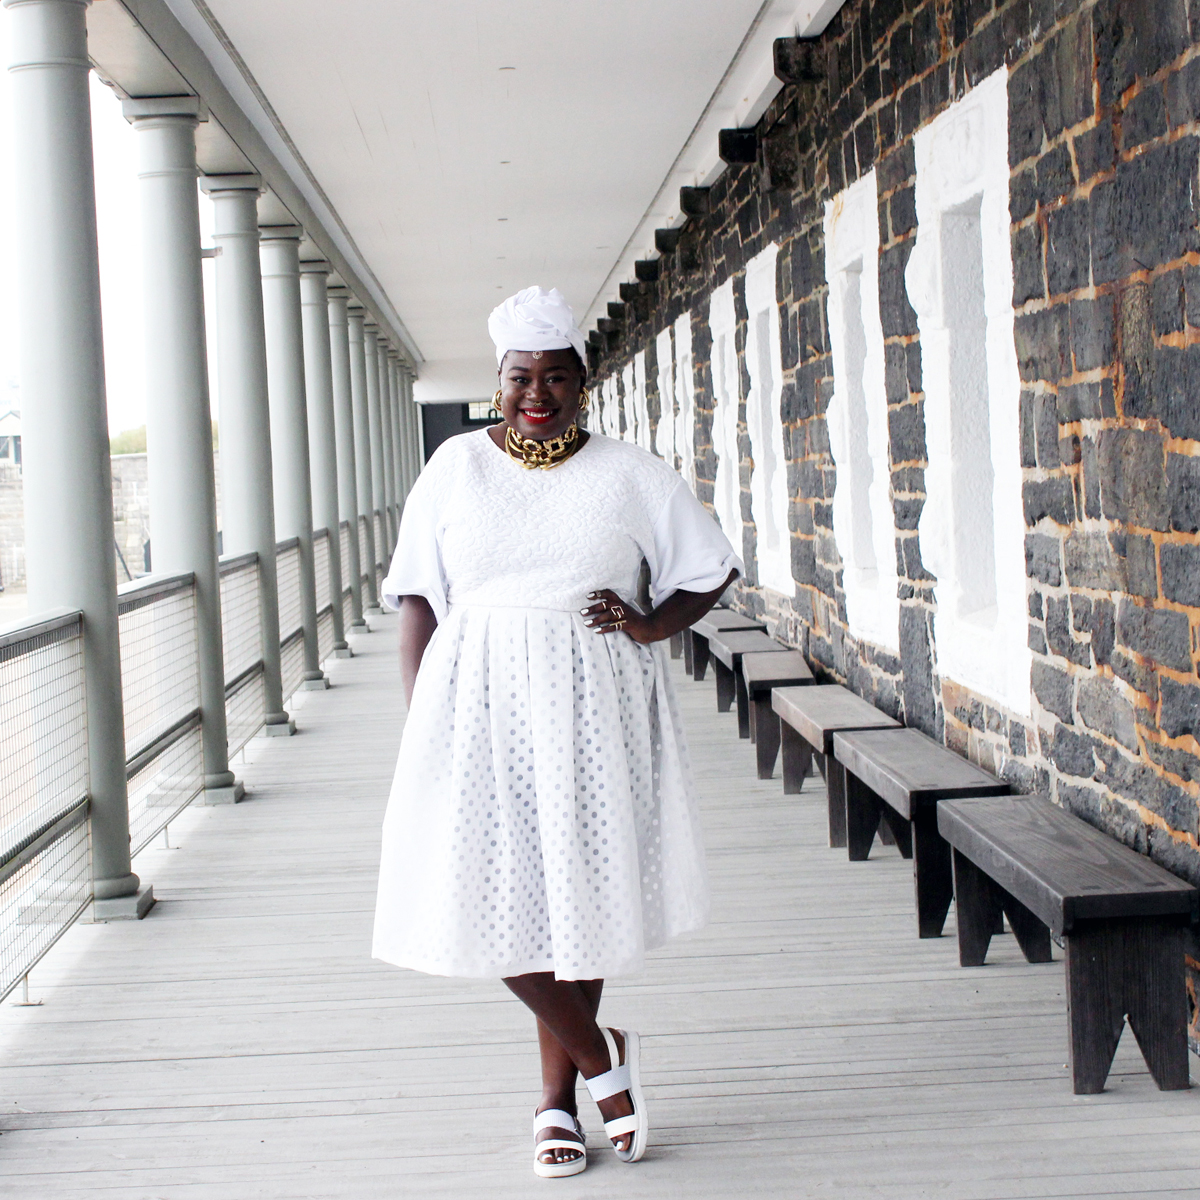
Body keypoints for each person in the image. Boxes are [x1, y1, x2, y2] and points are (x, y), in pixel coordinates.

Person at [373, 286, 741, 1177]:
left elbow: (711, 567)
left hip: (595, 703)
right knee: (486, 890)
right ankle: (600, 1056)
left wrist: (652, 625)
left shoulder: (630, 473)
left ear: (585, 381)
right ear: (498, 382)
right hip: (478, 703)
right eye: (519, 378)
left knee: (576, 889)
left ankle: (555, 1105)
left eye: (555, 377)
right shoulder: (455, 468)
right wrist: (423, 714)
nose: (536, 394)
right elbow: (419, 598)